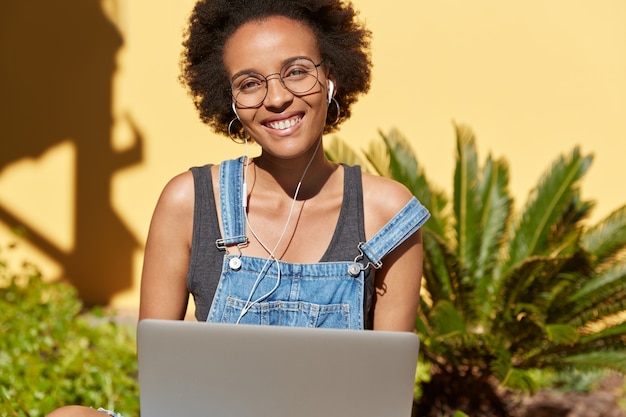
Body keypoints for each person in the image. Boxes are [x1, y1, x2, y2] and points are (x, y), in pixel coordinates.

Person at [47, 0, 429, 415]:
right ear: (228, 100)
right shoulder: (189, 202)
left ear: (331, 77)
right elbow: (160, 377)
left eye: (297, 71)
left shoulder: (387, 214)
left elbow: (385, 395)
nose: (277, 98)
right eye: (249, 83)